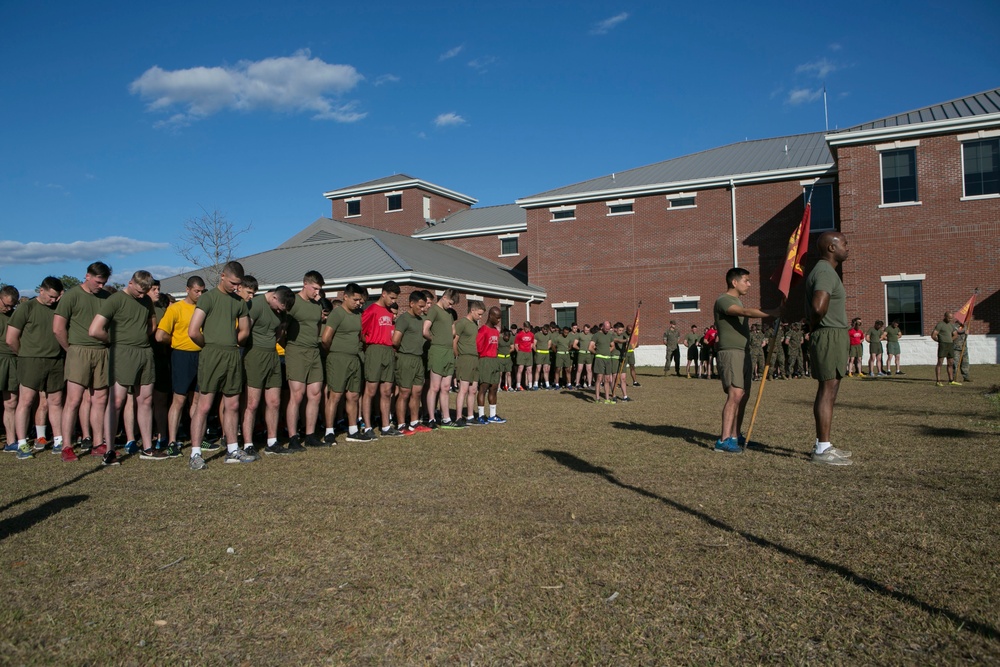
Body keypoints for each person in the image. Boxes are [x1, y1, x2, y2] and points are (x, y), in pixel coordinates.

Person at [89, 271, 161, 461]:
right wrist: (117, 340)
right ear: (130, 283)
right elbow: (95, 330)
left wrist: (139, 336)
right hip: (122, 353)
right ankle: (110, 450)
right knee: (117, 402)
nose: (141, 295)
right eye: (138, 291)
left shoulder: (146, 300)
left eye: (145, 291)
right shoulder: (115, 300)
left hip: (144, 352)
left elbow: (151, 325)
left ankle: (147, 448)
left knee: (145, 400)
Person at [186, 261, 251, 469]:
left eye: (239, 284)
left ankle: (233, 449)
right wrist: (211, 345)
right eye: (233, 283)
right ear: (223, 276)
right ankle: (195, 453)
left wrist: (231, 343)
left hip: (232, 355)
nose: (236, 287)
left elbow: (245, 331)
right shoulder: (208, 298)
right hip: (211, 355)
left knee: (232, 404)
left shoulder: (239, 302)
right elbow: (193, 330)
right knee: (204, 405)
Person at [712, 267, 776, 453]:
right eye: (746, 280)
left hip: (744, 352)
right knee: (736, 394)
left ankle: (735, 435)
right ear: (734, 282)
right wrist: (772, 312)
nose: (749, 284)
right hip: (731, 352)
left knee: (744, 396)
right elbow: (745, 312)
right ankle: (723, 440)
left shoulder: (737, 300)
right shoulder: (724, 300)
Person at [53, 261, 111, 461]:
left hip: (102, 352)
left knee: (100, 399)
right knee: (74, 400)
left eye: (104, 283)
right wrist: (70, 349)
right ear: (87, 276)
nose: (101, 286)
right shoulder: (71, 296)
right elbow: (58, 327)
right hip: (78, 351)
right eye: (98, 281)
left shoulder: (107, 297)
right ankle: (67, 446)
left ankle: (98, 443)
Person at [805, 231, 853, 466]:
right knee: (827, 389)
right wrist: (816, 326)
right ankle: (822, 449)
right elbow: (818, 307)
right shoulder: (824, 271)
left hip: (833, 333)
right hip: (829, 334)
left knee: (831, 389)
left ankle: (824, 444)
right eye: (844, 244)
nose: (847, 247)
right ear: (831, 248)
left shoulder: (827, 271)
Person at [6, 277, 65, 462]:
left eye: (56, 297)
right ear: (41, 291)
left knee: (55, 401)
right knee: (26, 401)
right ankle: (22, 443)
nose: (53, 300)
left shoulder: (59, 308)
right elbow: (11, 338)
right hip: (30, 360)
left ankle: (59, 440)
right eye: (50, 296)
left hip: (55, 360)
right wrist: (24, 354)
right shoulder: (27, 307)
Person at [155, 276, 207, 456]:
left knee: (198, 400)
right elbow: (160, 335)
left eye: (202, 291)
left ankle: (198, 440)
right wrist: (176, 341)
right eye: (196, 291)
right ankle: (172, 441)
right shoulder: (175, 308)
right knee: (179, 399)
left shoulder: (205, 308)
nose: (200, 294)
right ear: (188, 290)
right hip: (181, 356)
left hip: (201, 355)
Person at [242, 286, 295, 456]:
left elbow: (279, 333)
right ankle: (248, 444)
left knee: (274, 402)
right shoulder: (256, 305)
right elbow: (245, 331)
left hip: (272, 356)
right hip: (255, 355)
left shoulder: (280, 311)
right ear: (274, 298)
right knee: (252, 403)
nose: (280, 311)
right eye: (280, 307)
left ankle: (272, 442)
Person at [322, 282, 371, 441]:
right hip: (338, 358)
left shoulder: (358, 315)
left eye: (360, 300)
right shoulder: (337, 314)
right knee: (335, 396)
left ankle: (352, 430)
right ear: (345, 297)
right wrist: (335, 352)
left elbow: (360, 337)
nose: (358, 303)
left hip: (354, 359)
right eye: (355, 300)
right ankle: (329, 431)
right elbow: (325, 339)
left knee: (353, 396)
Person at [284, 271, 326, 450]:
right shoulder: (292, 302)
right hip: (296, 350)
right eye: (315, 288)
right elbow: (282, 329)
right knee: (297, 394)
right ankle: (293, 437)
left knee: (315, 394)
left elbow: (317, 328)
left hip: (313, 351)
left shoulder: (317, 306)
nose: (317, 292)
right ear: (305, 284)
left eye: (319, 289)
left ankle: (310, 435)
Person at [361, 281, 403, 438]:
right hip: (374, 349)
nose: (393, 301)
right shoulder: (371, 310)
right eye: (391, 297)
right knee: (370, 390)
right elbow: (362, 333)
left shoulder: (389, 312)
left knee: (386, 391)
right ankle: (367, 427)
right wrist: (370, 346)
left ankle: (386, 426)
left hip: (388, 351)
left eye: (395, 298)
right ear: (383, 293)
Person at [393, 291, 432, 435]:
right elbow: (395, 340)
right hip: (405, 359)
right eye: (420, 306)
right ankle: (401, 424)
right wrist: (403, 352)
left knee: (417, 392)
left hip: (418, 359)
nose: (423, 309)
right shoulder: (403, 319)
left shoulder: (420, 320)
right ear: (411, 303)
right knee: (404, 392)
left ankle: (414, 423)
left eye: (424, 306)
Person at [423, 289, 461, 427]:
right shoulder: (434, 310)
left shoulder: (449, 313)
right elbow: (425, 330)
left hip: (448, 352)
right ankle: (431, 418)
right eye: (450, 303)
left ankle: (446, 419)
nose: (451, 306)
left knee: (445, 387)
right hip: (437, 351)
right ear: (444, 297)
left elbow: (453, 331)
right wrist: (435, 340)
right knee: (434, 387)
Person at [453, 299, 484, 426]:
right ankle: (459, 417)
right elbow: (454, 341)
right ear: (472, 310)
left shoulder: (474, 324)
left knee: (473, 389)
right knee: (463, 389)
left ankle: (470, 416)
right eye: (479, 314)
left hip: (475, 359)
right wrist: (458, 356)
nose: (480, 317)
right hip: (464, 358)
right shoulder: (462, 323)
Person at [475, 306, 507, 424]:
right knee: (483, 388)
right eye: (497, 318)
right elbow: (478, 348)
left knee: (494, 388)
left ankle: (492, 415)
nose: (499, 320)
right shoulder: (482, 330)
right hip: (485, 360)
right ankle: (481, 415)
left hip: (494, 360)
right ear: (490, 316)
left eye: (500, 318)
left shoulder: (495, 331)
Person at [0, 286, 21, 454]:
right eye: (5, 305)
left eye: (11, 306)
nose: (8, 309)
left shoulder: (16, 315)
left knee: (11, 402)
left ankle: (11, 441)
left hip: (12, 360)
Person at [589, 321, 616, 404]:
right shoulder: (596, 335)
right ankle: (597, 398)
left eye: (609, 329)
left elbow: (613, 346)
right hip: (599, 359)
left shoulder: (610, 335)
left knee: (607, 379)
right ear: (602, 327)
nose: (607, 330)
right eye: (606, 329)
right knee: (599, 378)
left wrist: (608, 351)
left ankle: (607, 398)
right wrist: (597, 353)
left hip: (608, 359)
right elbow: (590, 347)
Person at [932, 312, 959, 387]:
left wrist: (950, 339)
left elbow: (955, 334)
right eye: (949, 318)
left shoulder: (951, 325)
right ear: (945, 317)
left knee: (950, 362)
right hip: (943, 345)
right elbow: (933, 335)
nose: (950, 319)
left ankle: (951, 380)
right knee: (940, 363)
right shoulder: (940, 324)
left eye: (951, 318)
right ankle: (938, 381)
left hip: (950, 345)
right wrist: (940, 341)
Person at [513, 322, 534, 391]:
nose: (528, 329)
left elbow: (532, 343)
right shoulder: (519, 335)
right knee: (520, 369)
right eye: (527, 328)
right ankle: (518, 385)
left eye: (529, 328)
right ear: (524, 327)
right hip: (521, 352)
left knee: (529, 370)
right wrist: (519, 352)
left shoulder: (531, 334)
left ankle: (530, 385)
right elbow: (516, 345)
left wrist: (530, 349)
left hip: (529, 353)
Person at [574, 324, 594, 388]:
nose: (587, 331)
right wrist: (580, 349)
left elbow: (594, 344)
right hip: (581, 354)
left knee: (589, 370)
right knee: (579, 369)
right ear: (583, 329)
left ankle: (589, 384)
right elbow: (574, 345)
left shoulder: (591, 336)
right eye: (585, 330)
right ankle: (577, 383)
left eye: (588, 330)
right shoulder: (579, 335)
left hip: (588, 354)